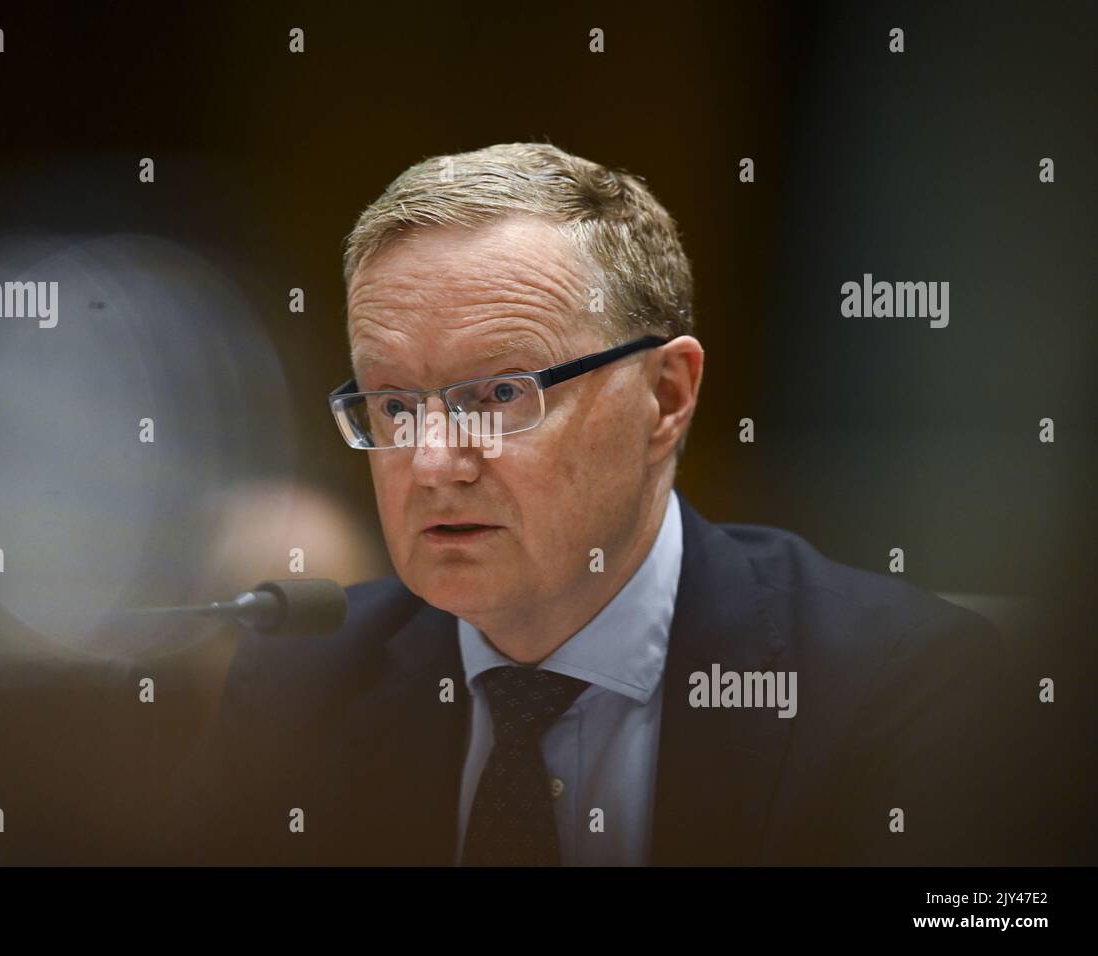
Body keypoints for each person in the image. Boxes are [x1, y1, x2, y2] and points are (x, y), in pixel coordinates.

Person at [182, 142, 1014, 866]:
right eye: (393, 405)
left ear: (666, 396)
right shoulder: (303, 680)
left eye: (501, 392)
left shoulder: (896, 688)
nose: (432, 462)